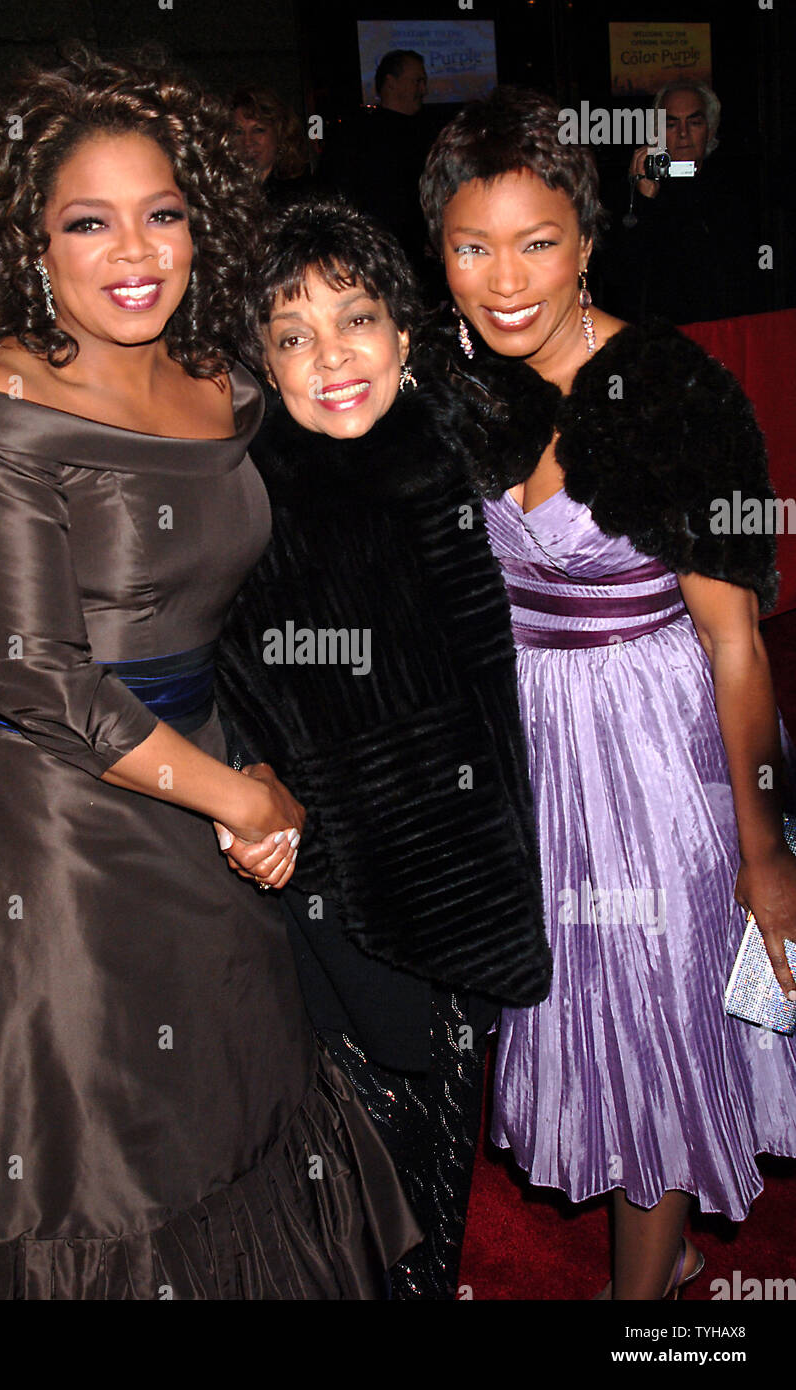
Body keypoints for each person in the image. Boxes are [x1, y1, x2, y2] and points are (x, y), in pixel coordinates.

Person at [0, 48, 422, 1300]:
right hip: (56, 845)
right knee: (92, 1173)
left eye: (160, 213)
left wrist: (264, 758)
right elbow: (27, 676)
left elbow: (293, 559)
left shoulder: (219, 375)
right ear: (31, 244)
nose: (134, 250)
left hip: (213, 789)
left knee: (231, 1114)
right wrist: (234, 798)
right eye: (87, 222)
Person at [420, 85, 796, 1300]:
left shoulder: (671, 394)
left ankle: (642, 1299)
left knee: (652, 1006)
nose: (503, 276)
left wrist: (761, 849)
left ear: (585, 241)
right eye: (471, 246)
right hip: (531, 745)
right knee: (573, 996)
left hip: (650, 744)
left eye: (536, 241)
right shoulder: (458, 387)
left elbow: (734, 644)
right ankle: (668, 1248)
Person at [212, 198, 552, 1299]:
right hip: (332, 898)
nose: (331, 358)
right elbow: (221, 690)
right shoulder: (248, 498)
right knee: (355, 1167)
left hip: (478, 867)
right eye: (293, 337)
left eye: (354, 319)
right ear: (260, 362)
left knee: (442, 1142)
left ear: (404, 334)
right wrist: (254, 793)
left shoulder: (458, 452)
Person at [598, 80, 768, 323]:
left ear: (710, 129)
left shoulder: (734, 192)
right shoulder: (635, 191)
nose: (683, 133)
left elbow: (755, 273)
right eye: (671, 123)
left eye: (694, 122)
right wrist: (643, 199)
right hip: (659, 341)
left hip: (723, 334)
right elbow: (619, 276)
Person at [318, 52, 434, 277]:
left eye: (424, 81)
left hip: (416, 263)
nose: (424, 90)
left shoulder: (427, 132)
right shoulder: (354, 135)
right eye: (417, 81)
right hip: (373, 262)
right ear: (391, 83)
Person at [229, 86, 313, 205]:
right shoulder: (223, 193)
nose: (247, 141)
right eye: (238, 132)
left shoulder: (300, 196)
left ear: (280, 133)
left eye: (258, 130)